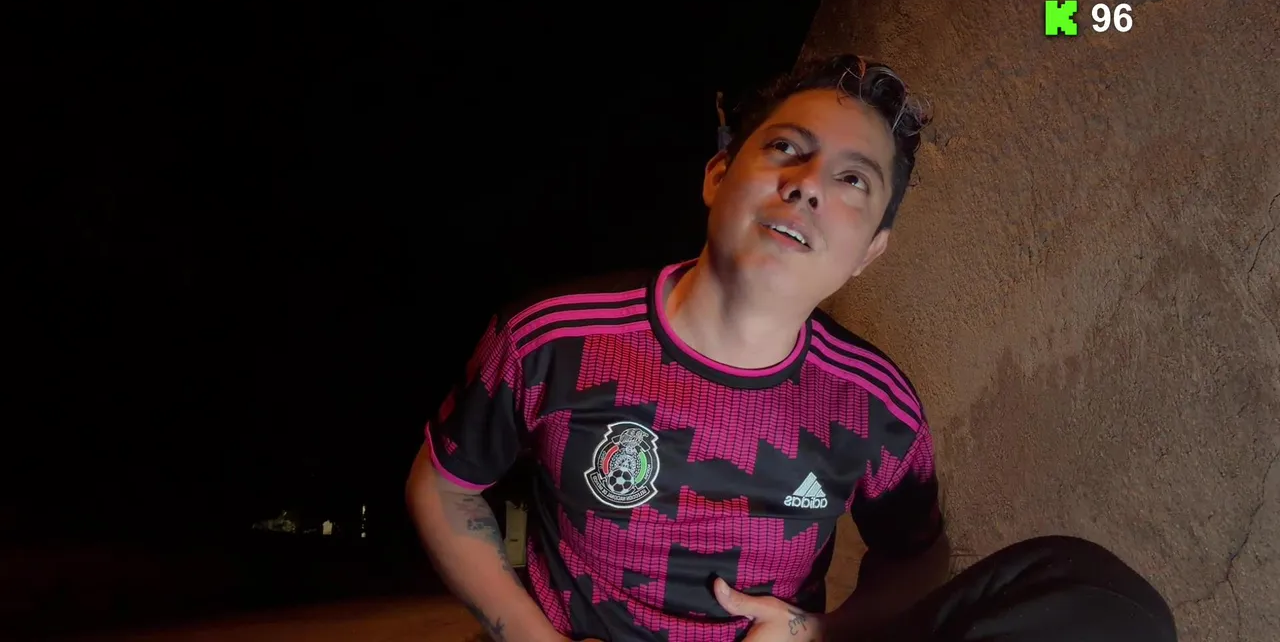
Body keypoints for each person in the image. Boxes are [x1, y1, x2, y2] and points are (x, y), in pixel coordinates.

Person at [406, 54, 1177, 641]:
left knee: (1099, 602)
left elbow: (916, 554)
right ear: (718, 175)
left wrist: (816, 633)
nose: (808, 185)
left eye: (853, 181)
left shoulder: (875, 404)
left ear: (870, 251)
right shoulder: (553, 337)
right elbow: (443, 489)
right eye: (784, 148)